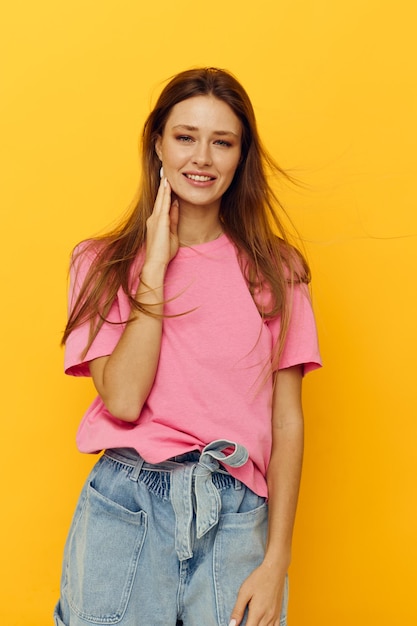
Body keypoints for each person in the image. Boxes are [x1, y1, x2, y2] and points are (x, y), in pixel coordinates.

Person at [54, 67, 321, 626]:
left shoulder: (278, 271)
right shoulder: (100, 264)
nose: (202, 157)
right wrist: (155, 264)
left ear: (240, 156)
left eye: (222, 142)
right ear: (157, 143)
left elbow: (287, 421)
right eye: (185, 137)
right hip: (128, 506)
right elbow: (124, 400)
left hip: (236, 513)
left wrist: (277, 561)